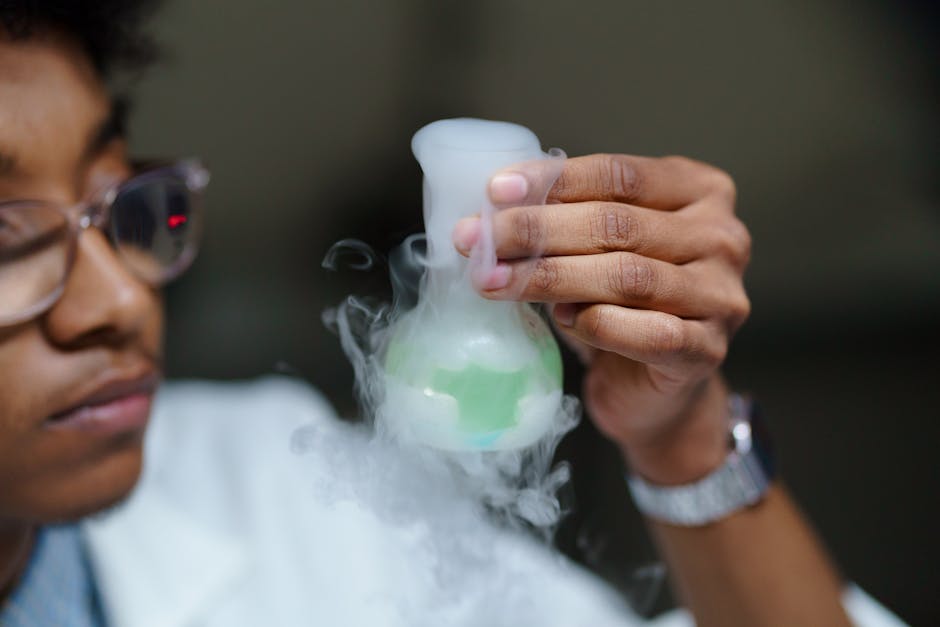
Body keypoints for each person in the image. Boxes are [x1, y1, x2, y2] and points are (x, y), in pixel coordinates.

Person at [0, 2, 907, 626]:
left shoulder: (277, 494)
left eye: (115, 200)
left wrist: (683, 435)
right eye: (8, 237)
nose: (119, 298)